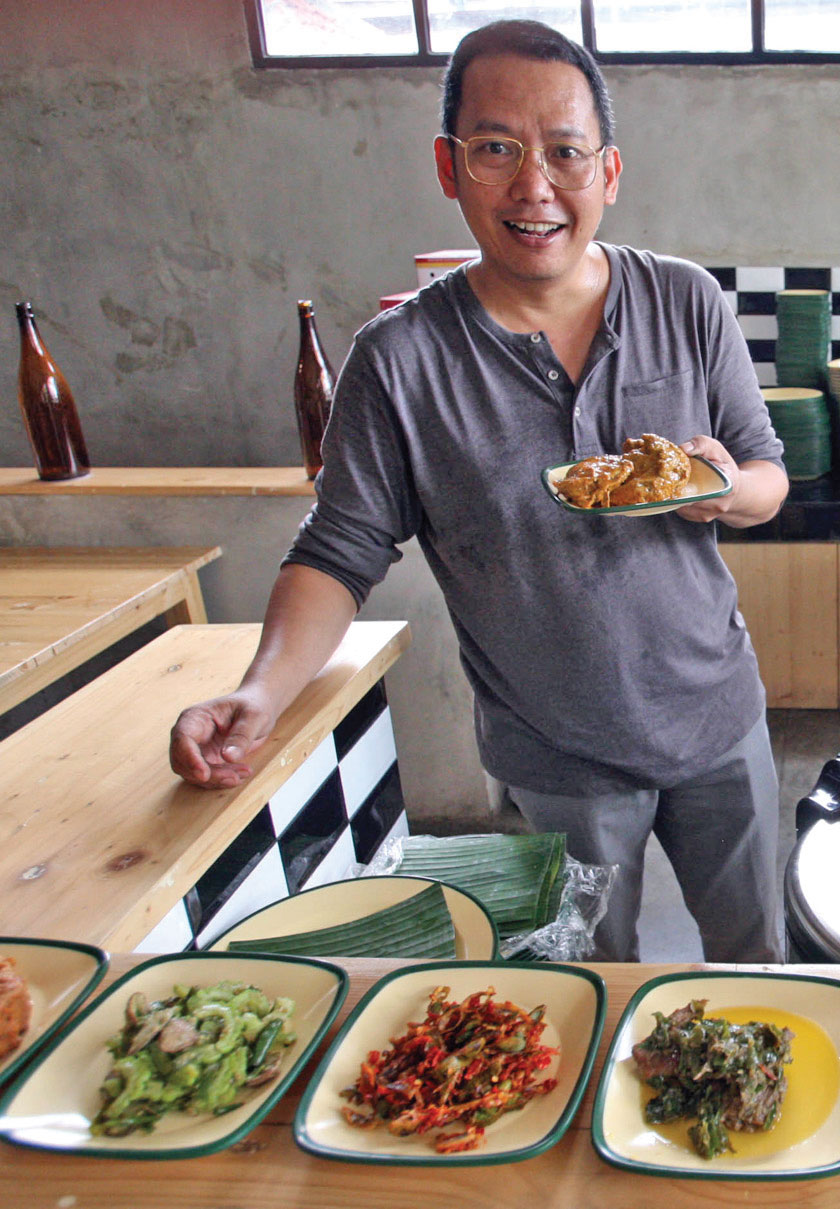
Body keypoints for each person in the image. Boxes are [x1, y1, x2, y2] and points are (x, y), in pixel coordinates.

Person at [169, 20, 790, 963]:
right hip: (554, 762)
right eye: (497, 148)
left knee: (760, 961)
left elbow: (767, 476)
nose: (534, 185)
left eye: (565, 153)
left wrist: (722, 489)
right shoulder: (400, 361)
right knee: (580, 989)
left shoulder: (685, 301)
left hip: (717, 720)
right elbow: (337, 551)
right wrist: (259, 694)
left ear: (608, 172)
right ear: (448, 166)